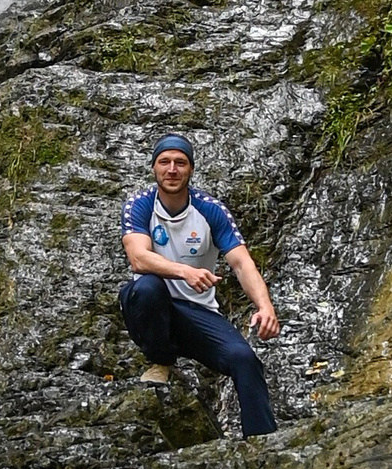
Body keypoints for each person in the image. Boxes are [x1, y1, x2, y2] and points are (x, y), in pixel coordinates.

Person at [120, 134, 281, 434]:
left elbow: (241, 262)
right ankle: (160, 361)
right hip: (153, 307)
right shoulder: (140, 205)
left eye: (180, 163)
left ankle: (263, 443)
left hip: (198, 312)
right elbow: (138, 259)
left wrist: (265, 306)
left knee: (244, 360)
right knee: (147, 288)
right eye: (164, 162)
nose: (172, 169)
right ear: (154, 168)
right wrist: (184, 272)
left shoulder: (210, 210)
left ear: (191, 169)